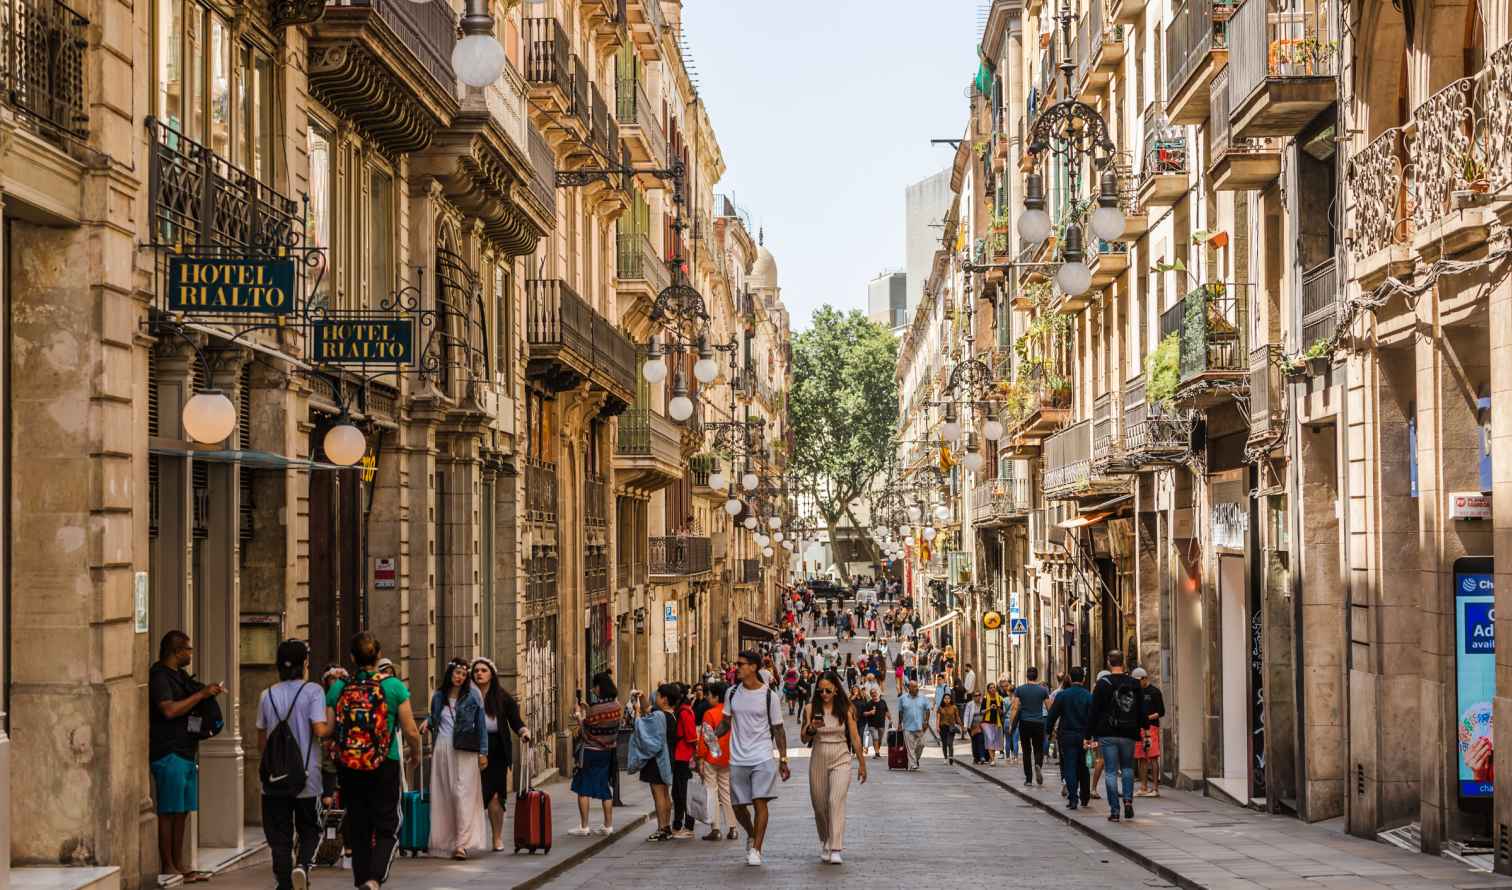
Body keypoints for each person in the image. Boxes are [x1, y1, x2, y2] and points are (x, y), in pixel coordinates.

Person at [326, 633, 421, 890]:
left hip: (350, 765)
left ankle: (361, 880)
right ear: (378, 656)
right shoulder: (393, 686)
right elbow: (411, 730)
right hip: (384, 762)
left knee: (358, 823)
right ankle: (374, 878)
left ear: (352, 658)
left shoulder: (338, 687)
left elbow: (328, 729)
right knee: (388, 824)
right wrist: (416, 753)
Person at [150, 630, 225, 884]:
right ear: (176, 651)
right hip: (168, 751)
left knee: (182, 811)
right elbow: (169, 710)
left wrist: (207, 692)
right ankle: (168, 865)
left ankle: (179, 864)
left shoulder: (180, 676)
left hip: (185, 750)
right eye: (188, 650)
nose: (191, 654)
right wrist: (200, 696)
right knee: (168, 810)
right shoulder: (160, 676)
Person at [257, 640, 328, 890]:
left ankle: (284, 882)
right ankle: (303, 866)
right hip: (307, 777)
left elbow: (262, 741)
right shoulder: (314, 691)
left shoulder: (267, 694)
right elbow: (319, 729)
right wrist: (334, 723)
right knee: (310, 829)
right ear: (305, 663)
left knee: (279, 835)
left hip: (275, 779)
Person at [710, 650, 790, 866]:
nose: (737, 667)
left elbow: (779, 729)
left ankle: (756, 849)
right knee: (738, 806)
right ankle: (752, 833)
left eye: (741, 664)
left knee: (759, 801)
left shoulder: (768, 696)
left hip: (762, 755)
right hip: (738, 758)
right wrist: (712, 735)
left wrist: (783, 759)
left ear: (754, 667)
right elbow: (726, 723)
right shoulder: (732, 693)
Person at [799, 671, 867, 865]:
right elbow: (804, 738)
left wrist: (862, 763)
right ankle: (826, 839)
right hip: (819, 755)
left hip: (841, 756)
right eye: (821, 691)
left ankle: (836, 847)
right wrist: (811, 727)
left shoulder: (846, 709)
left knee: (835, 800)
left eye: (828, 690)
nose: (825, 694)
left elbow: (854, 737)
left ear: (836, 690)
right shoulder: (810, 708)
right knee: (819, 806)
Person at [425, 658, 489, 859]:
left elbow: (481, 726)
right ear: (450, 673)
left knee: (462, 795)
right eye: (457, 673)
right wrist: (426, 723)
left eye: (463, 674)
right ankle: (448, 841)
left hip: (464, 750)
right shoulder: (438, 696)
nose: (460, 677)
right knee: (445, 796)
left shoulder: (473, 695)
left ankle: (462, 843)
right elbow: (434, 718)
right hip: (443, 750)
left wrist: (483, 752)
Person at [470, 658, 528, 850]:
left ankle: (496, 838)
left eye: (483, 670)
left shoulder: (502, 697)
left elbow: (515, 721)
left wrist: (523, 732)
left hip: (496, 750)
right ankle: (469, 838)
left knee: (496, 796)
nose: (479, 673)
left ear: (491, 674)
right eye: (476, 670)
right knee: (472, 795)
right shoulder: (468, 696)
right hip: (472, 749)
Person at [1089, 650, 1145, 822]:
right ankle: (1128, 801)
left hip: (1108, 733)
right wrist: (1145, 729)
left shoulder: (1102, 684)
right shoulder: (1134, 683)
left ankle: (1115, 810)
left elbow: (1094, 711)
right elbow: (1141, 708)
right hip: (1128, 732)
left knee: (1111, 771)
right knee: (1128, 768)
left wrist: (1089, 735)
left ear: (1108, 662)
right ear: (1124, 663)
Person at [628, 685, 675, 841]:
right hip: (668, 759)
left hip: (657, 761)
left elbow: (642, 729)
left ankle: (662, 828)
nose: (656, 698)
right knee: (665, 793)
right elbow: (650, 709)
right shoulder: (670, 715)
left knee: (658, 794)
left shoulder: (658, 716)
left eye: (658, 696)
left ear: (665, 699)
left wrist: (637, 712)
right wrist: (642, 697)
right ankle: (667, 826)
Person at [1046, 665, 1093, 809]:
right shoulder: (1088, 696)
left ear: (1070, 679)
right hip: (1084, 735)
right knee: (1084, 766)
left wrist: (1048, 731)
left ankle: (1073, 798)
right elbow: (1093, 717)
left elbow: (1052, 715)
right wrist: (1092, 736)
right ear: (1083, 679)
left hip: (1066, 735)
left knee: (1070, 766)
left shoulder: (1062, 695)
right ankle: (1085, 796)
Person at [697, 682, 739, 841]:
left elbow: (707, 737)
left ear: (716, 696)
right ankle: (733, 827)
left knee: (711, 792)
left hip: (713, 757)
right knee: (726, 793)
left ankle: (715, 828)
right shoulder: (731, 713)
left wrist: (701, 757)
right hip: (729, 756)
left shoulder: (710, 713)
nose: (707, 697)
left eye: (709, 695)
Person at [670, 683, 700, 838]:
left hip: (683, 756)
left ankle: (687, 825)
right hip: (680, 755)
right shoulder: (682, 710)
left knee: (682, 792)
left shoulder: (684, 712)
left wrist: (695, 755)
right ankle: (678, 823)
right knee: (678, 792)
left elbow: (691, 736)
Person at [1012, 667, 1051, 786]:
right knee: (1038, 748)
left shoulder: (1020, 690)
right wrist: (1053, 723)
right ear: (1037, 676)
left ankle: (1028, 779)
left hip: (1025, 722)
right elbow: (1050, 708)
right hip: (1039, 723)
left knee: (1026, 750)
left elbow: (1014, 707)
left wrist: (1011, 724)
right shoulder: (1043, 690)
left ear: (1026, 676)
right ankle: (1038, 764)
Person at [1133, 667, 1165, 797]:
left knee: (1152, 756)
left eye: (1139, 680)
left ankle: (1155, 788)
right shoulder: (1135, 692)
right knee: (1141, 757)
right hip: (1139, 728)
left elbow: (1161, 712)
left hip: (1151, 727)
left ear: (1145, 678)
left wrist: (1147, 718)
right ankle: (1143, 786)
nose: (1137, 683)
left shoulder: (1154, 692)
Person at [896, 678, 932, 770]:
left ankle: (915, 759)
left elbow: (928, 710)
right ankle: (913, 764)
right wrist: (899, 723)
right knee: (910, 747)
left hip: (920, 726)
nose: (916, 688)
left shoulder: (923, 697)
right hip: (907, 726)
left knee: (922, 744)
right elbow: (900, 712)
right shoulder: (902, 698)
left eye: (917, 686)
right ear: (909, 688)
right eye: (914, 687)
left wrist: (926, 722)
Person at [980, 683, 1005, 766]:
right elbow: (982, 711)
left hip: (996, 722)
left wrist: (998, 708)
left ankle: (992, 758)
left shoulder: (1000, 699)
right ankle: (993, 759)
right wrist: (989, 708)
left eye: (994, 687)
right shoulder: (985, 698)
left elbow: (1002, 712)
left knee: (993, 740)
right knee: (990, 739)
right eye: (991, 688)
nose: (993, 689)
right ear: (988, 690)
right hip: (987, 722)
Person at [935, 693, 963, 765]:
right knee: (944, 744)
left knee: (950, 743)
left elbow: (957, 717)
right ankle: (945, 757)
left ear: (950, 699)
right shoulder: (940, 708)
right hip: (943, 727)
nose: (947, 700)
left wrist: (961, 726)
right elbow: (938, 718)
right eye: (945, 698)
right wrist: (937, 727)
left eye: (948, 698)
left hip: (951, 727)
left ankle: (951, 757)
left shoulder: (954, 707)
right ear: (943, 700)